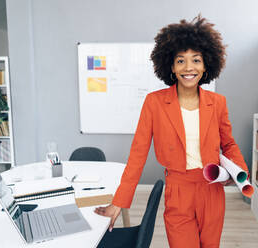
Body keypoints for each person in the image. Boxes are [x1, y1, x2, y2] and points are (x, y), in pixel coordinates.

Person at [95, 15, 249, 248]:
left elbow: (228, 144)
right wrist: (119, 202)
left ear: (206, 64)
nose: (189, 68)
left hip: (212, 192)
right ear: (171, 66)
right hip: (178, 191)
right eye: (181, 61)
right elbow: (137, 155)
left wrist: (240, 173)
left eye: (196, 60)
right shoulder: (154, 103)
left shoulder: (218, 102)